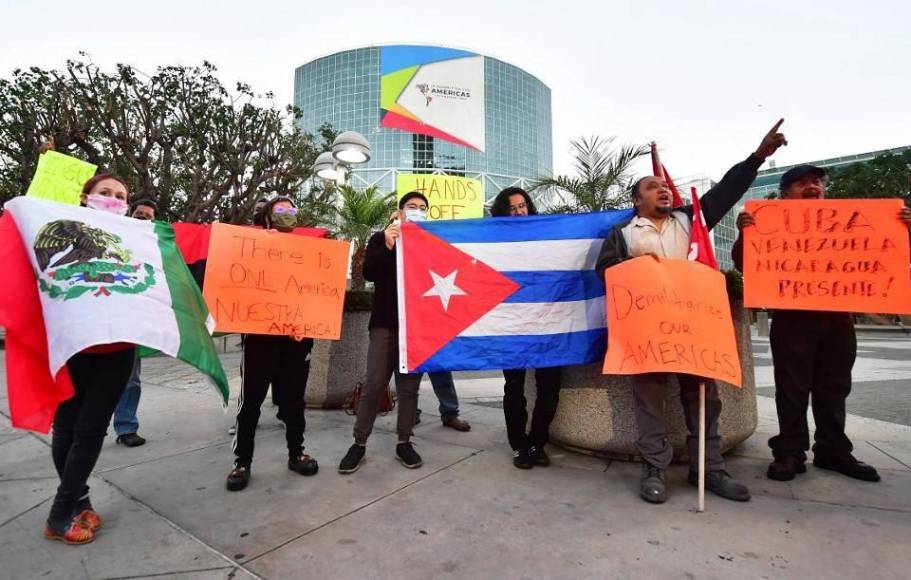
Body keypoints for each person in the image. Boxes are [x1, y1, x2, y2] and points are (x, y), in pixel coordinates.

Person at [596, 120, 787, 504]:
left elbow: (726, 191)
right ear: (637, 200)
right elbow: (604, 273)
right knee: (648, 400)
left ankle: (710, 468)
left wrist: (756, 158)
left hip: (695, 329)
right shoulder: (622, 233)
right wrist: (638, 270)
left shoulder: (691, 220)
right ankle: (654, 467)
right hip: (647, 333)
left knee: (703, 398)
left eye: (665, 186)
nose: (663, 189)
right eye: (653, 187)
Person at [732, 165, 911, 483]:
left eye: (816, 182)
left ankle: (833, 451)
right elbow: (745, 264)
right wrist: (746, 233)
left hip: (838, 320)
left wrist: (902, 230)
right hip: (792, 321)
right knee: (792, 389)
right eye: (802, 183)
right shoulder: (766, 224)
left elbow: (887, 257)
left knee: (835, 388)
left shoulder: (854, 223)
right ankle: (789, 452)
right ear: (786, 194)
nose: (812, 187)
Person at [44, 173, 137, 545]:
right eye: (105, 193)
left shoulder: (135, 239)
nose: (113, 199)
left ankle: (68, 507)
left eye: (120, 195)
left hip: (116, 352)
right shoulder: (62, 232)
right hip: (72, 346)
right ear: (85, 197)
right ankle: (64, 511)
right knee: (66, 428)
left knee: (89, 431)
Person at [226, 196, 318, 491]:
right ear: (266, 217)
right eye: (281, 210)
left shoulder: (307, 253)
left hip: (296, 341)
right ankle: (242, 462)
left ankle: (297, 453)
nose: (288, 214)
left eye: (292, 210)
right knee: (251, 403)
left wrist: (310, 323)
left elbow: (315, 294)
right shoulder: (249, 247)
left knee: (294, 401)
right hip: (258, 341)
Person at [337, 192, 432, 474]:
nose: (417, 210)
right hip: (385, 325)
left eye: (422, 208)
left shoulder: (431, 243)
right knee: (374, 384)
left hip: (416, 328)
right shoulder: (381, 238)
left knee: (409, 387)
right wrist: (389, 244)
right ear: (399, 211)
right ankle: (359, 442)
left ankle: (404, 441)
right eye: (412, 207)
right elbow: (369, 273)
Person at [489, 187, 563, 469]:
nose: (520, 212)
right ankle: (519, 445)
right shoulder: (493, 243)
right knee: (514, 387)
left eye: (523, 206)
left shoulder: (546, 237)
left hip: (548, 323)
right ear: (503, 213)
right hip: (513, 325)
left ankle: (537, 443)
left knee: (550, 388)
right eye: (513, 208)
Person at [112, 199, 158, 448]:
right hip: (100, 319)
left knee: (130, 379)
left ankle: (126, 427)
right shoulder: (109, 237)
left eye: (147, 216)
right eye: (138, 214)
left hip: (131, 324)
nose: (142, 218)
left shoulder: (153, 247)